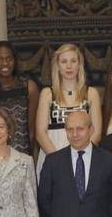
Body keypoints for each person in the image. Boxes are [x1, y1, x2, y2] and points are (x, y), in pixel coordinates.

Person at [35, 43, 102, 177]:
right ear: (58, 66)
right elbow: (40, 133)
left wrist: (80, 156)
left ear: (79, 65)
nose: (69, 66)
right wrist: (59, 161)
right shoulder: (47, 93)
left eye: (73, 61)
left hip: (83, 159)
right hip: (53, 158)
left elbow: (97, 132)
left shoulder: (91, 93)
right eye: (64, 61)